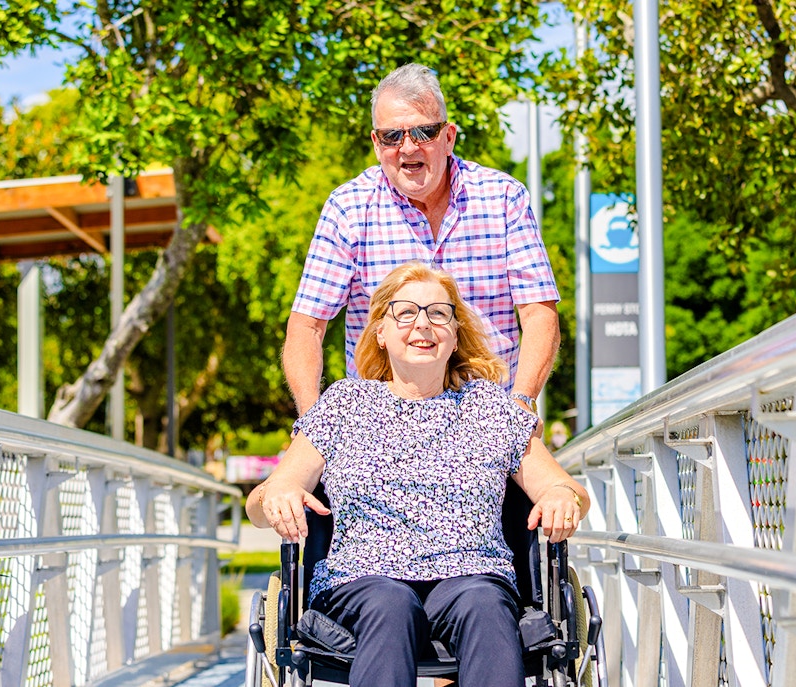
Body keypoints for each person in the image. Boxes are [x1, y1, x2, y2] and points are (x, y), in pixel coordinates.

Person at [249, 263, 589, 687]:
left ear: (455, 334)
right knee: (392, 604)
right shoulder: (345, 404)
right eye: (405, 313)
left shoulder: (488, 408)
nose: (422, 325)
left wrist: (562, 498)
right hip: (363, 580)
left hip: (470, 577)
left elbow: (567, 489)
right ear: (380, 332)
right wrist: (277, 492)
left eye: (438, 313)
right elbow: (262, 502)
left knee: (484, 603)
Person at [284, 62, 560, 418]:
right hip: (379, 430)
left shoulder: (503, 198)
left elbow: (539, 314)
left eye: (423, 133)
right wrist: (314, 424)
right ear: (375, 142)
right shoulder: (348, 208)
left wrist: (521, 406)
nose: (407, 147)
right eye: (392, 136)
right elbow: (307, 325)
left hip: (487, 427)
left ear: (449, 137)